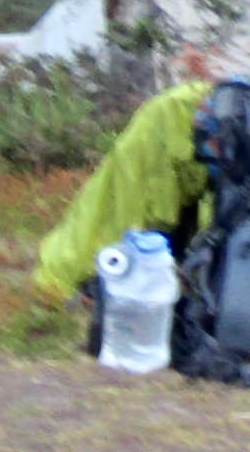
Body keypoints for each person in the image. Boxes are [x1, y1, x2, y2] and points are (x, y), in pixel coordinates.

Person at [33, 72, 220, 307]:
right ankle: (84, 285)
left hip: (205, 129)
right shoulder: (173, 114)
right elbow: (116, 218)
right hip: (172, 128)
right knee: (124, 214)